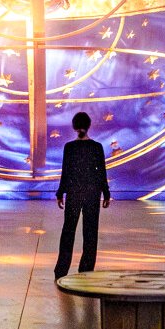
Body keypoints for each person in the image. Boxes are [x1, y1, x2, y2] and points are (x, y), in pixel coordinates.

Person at [54, 111, 110, 279]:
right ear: (88, 126)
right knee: (91, 232)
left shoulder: (69, 147)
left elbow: (66, 172)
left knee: (68, 231)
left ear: (74, 127)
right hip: (92, 193)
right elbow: (101, 172)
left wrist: (60, 192)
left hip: (74, 193)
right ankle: (86, 269)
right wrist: (106, 192)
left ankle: (61, 270)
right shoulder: (97, 147)